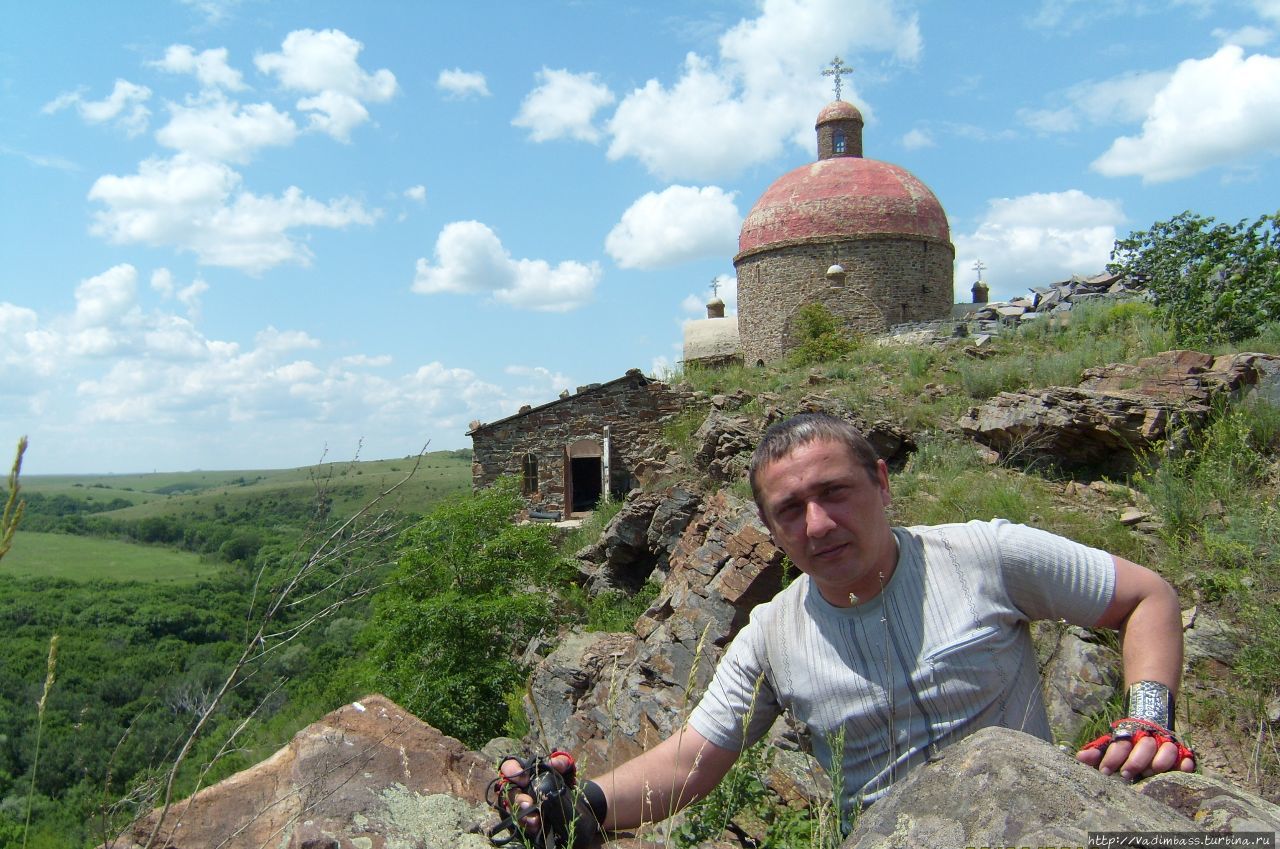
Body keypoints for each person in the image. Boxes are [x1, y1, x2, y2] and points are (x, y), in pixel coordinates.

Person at [498, 413, 1196, 844]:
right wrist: (578, 803)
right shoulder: (773, 633)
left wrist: (1148, 720)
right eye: (790, 509)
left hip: (1035, 825)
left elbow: (1146, 597)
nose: (819, 524)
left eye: (835, 492)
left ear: (882, 483)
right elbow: (689, 761)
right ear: (771, 529)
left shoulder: (986, 553)